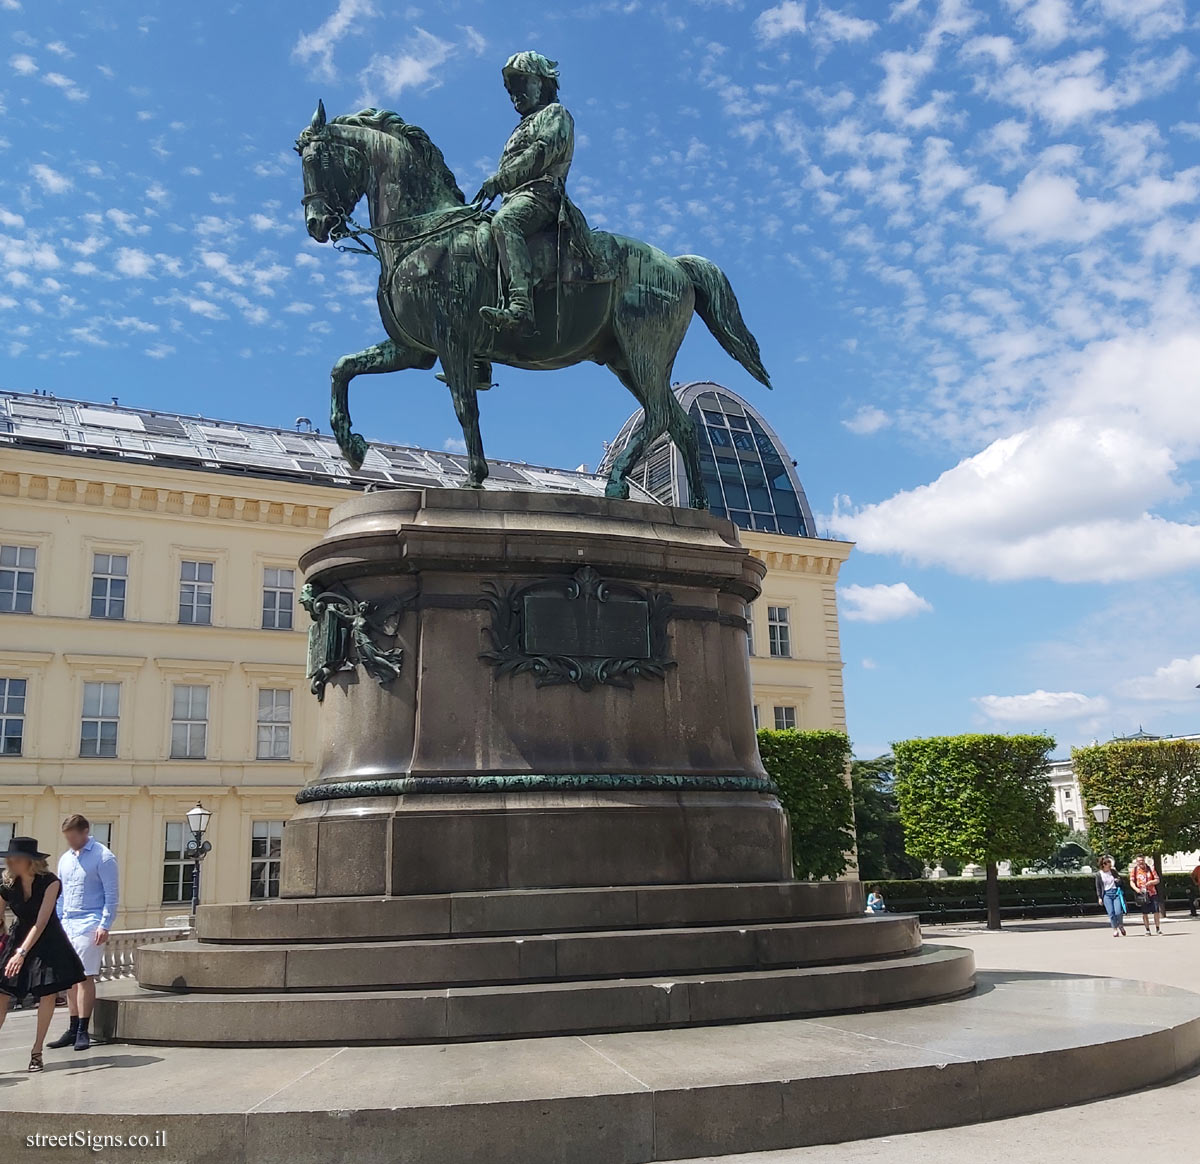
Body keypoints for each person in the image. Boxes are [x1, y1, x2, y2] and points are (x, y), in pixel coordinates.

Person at [475, 51, 578, 334]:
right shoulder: (520, 127)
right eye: (511, 90)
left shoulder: (555, 114)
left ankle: (521, 308)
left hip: (543, 196)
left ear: (542, 83)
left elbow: (541, 152)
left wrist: (500, 180)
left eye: (522, 83)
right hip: (516, 197)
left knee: (504, 223)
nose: (515, 94)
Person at [0, 836, 86, 1071]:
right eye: (9, 859)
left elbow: (41, 922)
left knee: (47, 994)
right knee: (2, 992)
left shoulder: (51, 882)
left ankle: (36, 1052)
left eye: (15, 859)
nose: (10, 863)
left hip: (48, 940)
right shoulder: (7, 883)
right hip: (19, 937)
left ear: (29, 861)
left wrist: (22, 953)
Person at [48, 814, 118, 1051]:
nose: (70, 842)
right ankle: (71, 1027)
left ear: (85, 832)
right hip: (68, 922)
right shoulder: (65, 859)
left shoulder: (103, 857)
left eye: (73, 837)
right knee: (69, 977)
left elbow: (111, 895)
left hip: (91, 921)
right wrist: (57, 922)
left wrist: (105, 924)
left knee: (85, 976)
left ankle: (82, 1030)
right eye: (67, 838)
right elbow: (62, 894)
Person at [1094, 857, 1127, 937]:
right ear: (1103, 865)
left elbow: (1121, 881)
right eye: (1108, 865)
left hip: (1116, 893)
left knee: (1118, 912)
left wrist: (1118, 880)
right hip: (1106, 894)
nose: (1110, 867)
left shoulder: (1113, 872)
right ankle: (1115, 929)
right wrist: (1099, 897)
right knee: (1111, 913)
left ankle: (1121, 925)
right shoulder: (1099, 874)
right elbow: (1098, 887)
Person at [1130, 855, 1162, 935]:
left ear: (1144, 861)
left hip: (1152, 892)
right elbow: (1131, 882)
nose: (1141, 862)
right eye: (1139, 861)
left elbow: (1157, 880)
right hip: (1142, 894)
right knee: (1144, 913)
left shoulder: (1150, 869)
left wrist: (1151, 882)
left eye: (1142, 860)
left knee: (1156, 911)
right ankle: (1147, 929)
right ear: (1137, 862)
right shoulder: (1134, 870)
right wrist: (1136, 889)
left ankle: (1158, 928)